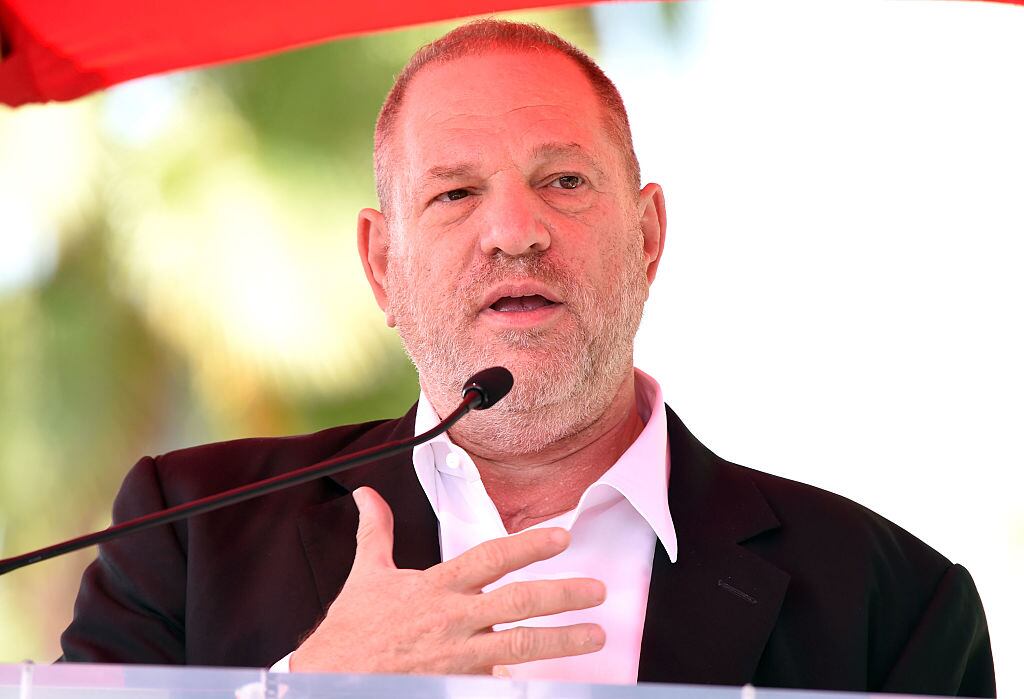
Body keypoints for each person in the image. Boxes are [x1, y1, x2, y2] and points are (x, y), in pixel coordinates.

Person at [60, 19, 996, 695]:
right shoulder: (187, 536)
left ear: (647, 237)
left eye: (562, 181)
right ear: (383, 267)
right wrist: (303, 688)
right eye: (456, 193)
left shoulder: (894, 603)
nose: (515, 231)